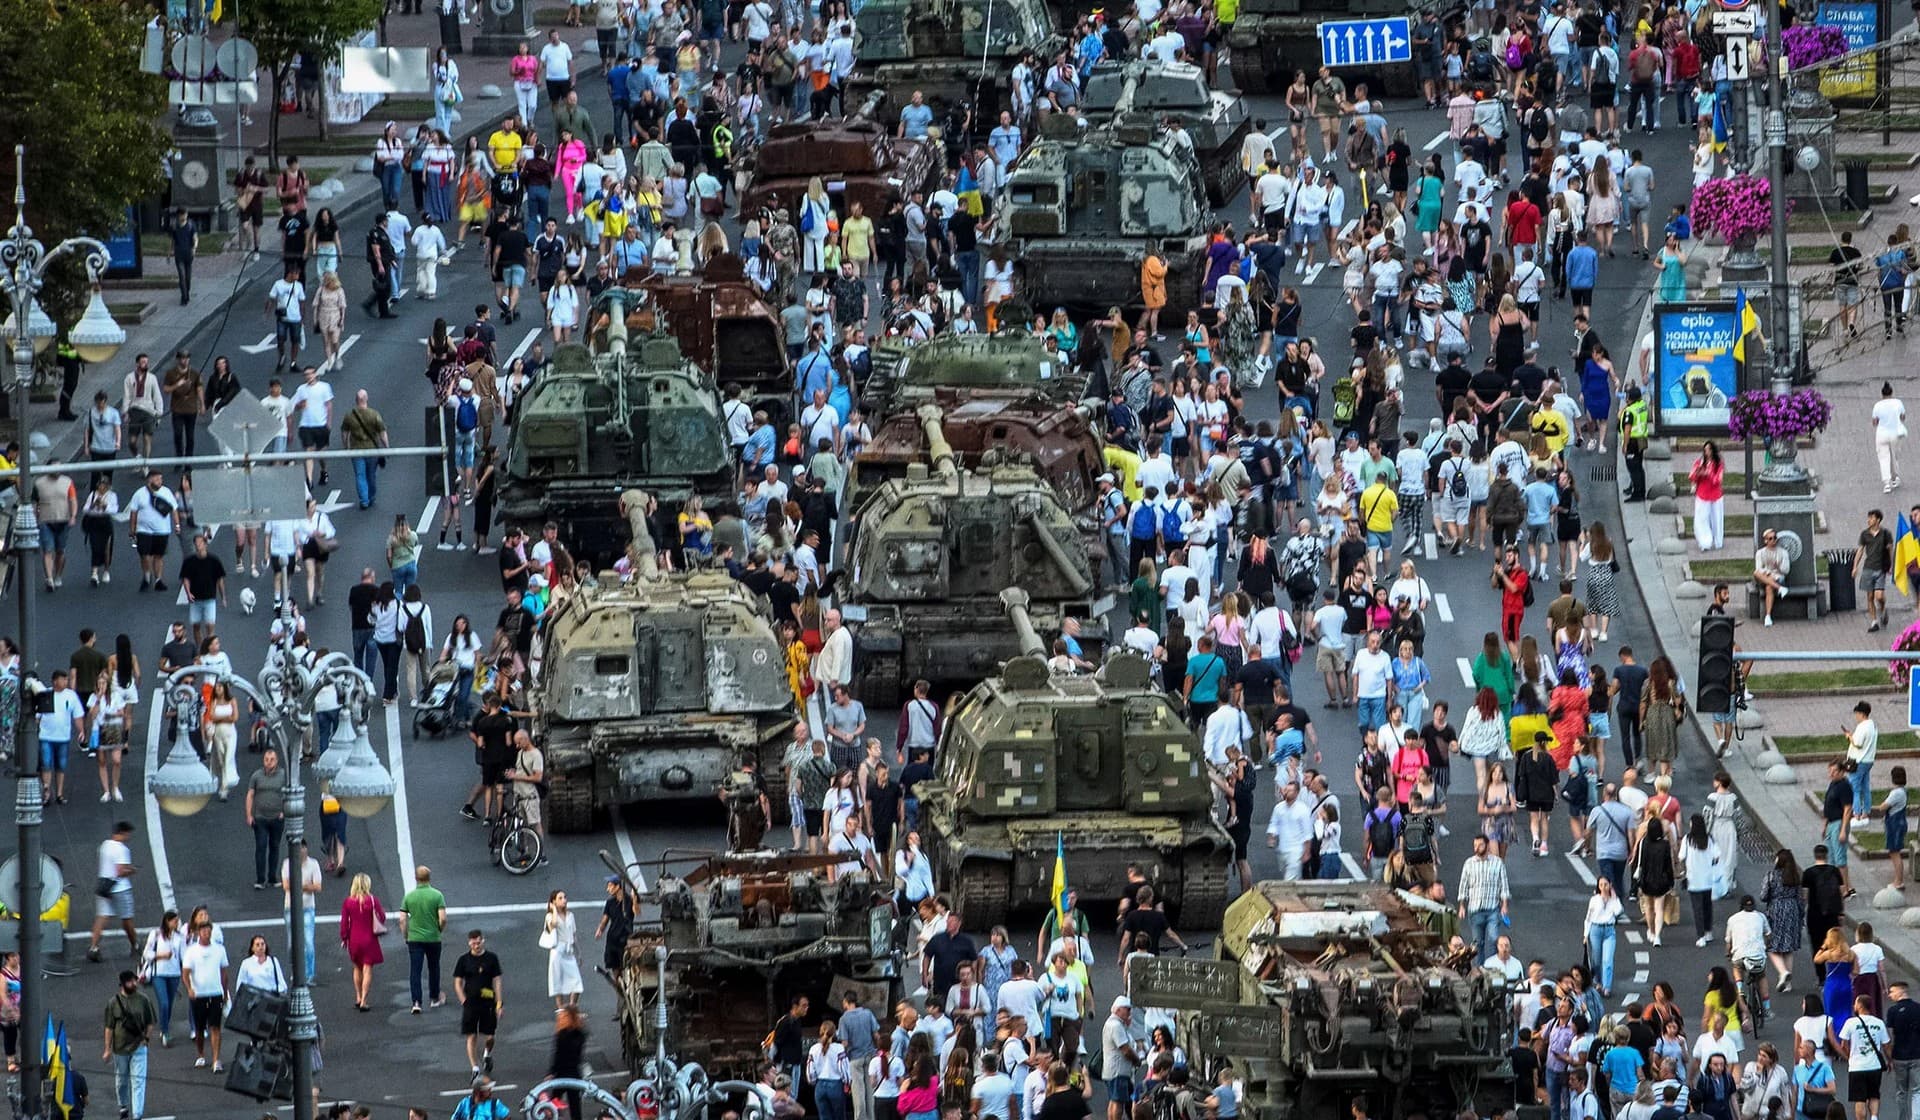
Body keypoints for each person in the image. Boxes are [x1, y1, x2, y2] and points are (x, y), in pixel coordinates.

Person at [102, 968, 157, 1119]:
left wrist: (146, 1039)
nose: (134, 983)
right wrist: (107, 1049)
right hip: (119, 1049)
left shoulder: (143, 1000)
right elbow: (109, 1027)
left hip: (139, 1047)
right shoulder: (113, 1003)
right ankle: (123, 1106)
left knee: (138, 1080)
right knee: (121, 1080)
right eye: (130, 981)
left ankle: (137, 1114)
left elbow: (150, 1021)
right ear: (123, 984)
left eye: (135, 980)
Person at [454, 928, 505, 1077]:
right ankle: (475, 1068)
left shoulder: (492, 958)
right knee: (471, 1035)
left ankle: (487, 1054)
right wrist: (463, 1000)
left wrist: (499, 1003)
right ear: (469, 943)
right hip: (471, 1003)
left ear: (483, 941)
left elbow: (497, 981)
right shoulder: (463, 960)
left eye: (479, 942)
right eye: (474, 942)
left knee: (490, 1036)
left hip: (488, 1002)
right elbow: (457, 982)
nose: (477, 945)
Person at [401, 865, 448, 1015]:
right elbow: (443, 918)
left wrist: (406, 935)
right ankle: (434, 998)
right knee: (434, 967)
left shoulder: (409, 897)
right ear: (429, 878)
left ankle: (416, 1002)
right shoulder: (437, 895)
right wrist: (439, 929)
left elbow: (402, 920)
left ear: (416, 878)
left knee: (415, 970)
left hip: (414, 938)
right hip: (433, 938)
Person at [88, 820, 138, 964]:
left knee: (102, 917)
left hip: (104, 886)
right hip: (120, 887)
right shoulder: (122, 849)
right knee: (127, 918)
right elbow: (120, 871)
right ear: (123, 833)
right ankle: (135, 944)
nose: (128, 837)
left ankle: (93, 947)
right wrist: (133, 870)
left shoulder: (105, 845)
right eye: (128, 834)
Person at [340, 873, 387, 1012]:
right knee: (367, 969)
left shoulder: (348, 901)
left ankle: (358, 996)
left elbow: (344, 923)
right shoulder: (372, 900)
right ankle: (365, 1001)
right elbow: (382, 917)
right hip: (369, 939)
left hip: (354, 939)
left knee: (357, 968)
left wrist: (344, 937)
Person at [543, 889, 583, 1010]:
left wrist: (579, 952)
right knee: (557, 981)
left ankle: (572, 1008)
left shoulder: (570, 915)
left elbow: (574, 935)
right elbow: (553, 925)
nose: (564, 900)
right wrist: (554, 909)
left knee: (577, 983)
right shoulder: (550, 916)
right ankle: (561, 1010)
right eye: (560, 898)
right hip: (558, 951)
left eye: (564, 897)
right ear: (553, 901)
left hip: (569, 951)